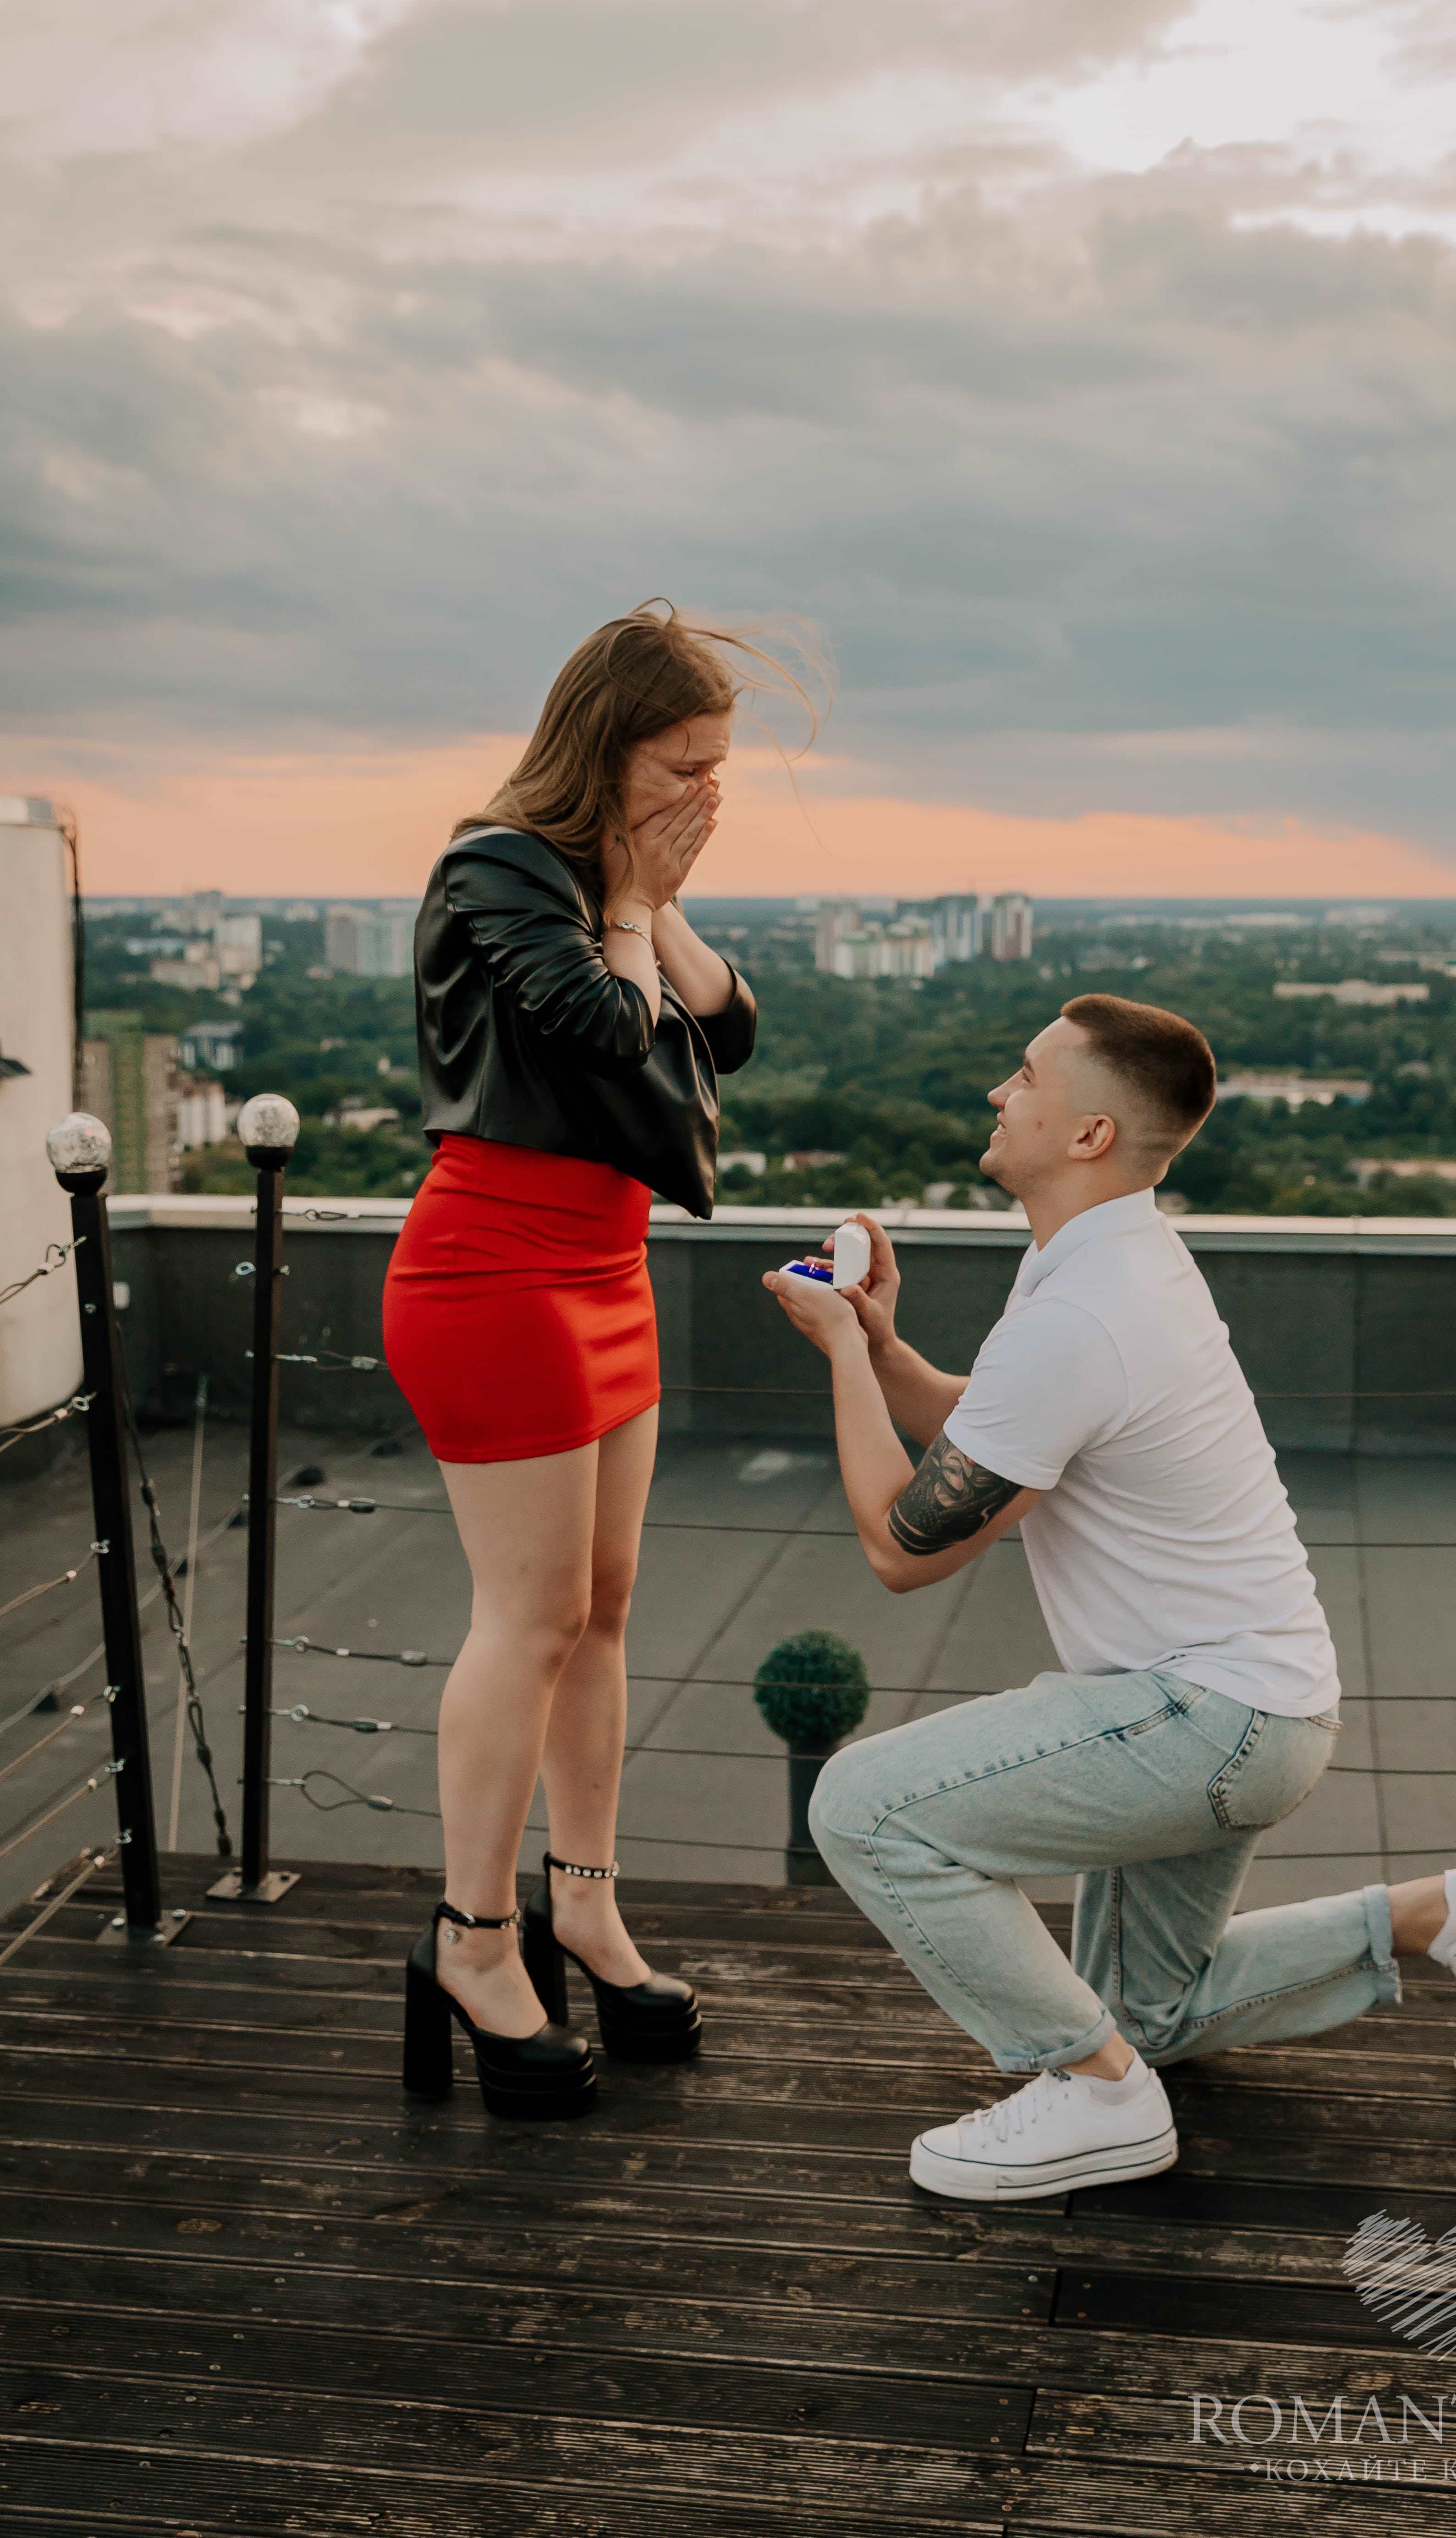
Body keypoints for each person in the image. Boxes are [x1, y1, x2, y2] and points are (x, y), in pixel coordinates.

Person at [763, 995, 1456, 2200]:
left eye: (1026, 1077)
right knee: (1146, 2010)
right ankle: (1447, 1914)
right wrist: (877, 1347)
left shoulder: (1087, 1310)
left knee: (867, 1809)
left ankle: (1097, 2096)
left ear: (1089, 1133)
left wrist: (835, 1357)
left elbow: (902, 1547)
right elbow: (1002, 1432)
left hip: (1204, 1719)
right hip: (1247, 1707)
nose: (998, 1093)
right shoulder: (1110, 1259)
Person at [386, 603, 805, 2120]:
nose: (707, 790)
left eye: (720, 765)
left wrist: (655, 892)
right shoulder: (499, 862)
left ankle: (585, 1907)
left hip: (604, 1265)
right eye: (683, 763)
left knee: (604, 1609)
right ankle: (474, 1938)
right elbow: (605, 1024)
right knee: (533, 1615)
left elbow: (727, 1027)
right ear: (606, 748)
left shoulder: (611, 882)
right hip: (494, 1269)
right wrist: (629, 895)